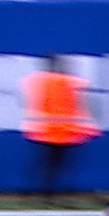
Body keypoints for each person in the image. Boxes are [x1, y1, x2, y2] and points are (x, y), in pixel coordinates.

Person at [21, 54, 98, 205]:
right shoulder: (71, 82)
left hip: (45, 131)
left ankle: (35, 194)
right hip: (64, 132)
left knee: (44, 165)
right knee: (57, 166)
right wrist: (88, 128)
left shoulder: (37, 81)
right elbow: (81, 105)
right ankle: (51, 195)